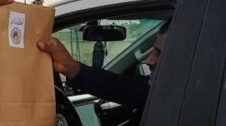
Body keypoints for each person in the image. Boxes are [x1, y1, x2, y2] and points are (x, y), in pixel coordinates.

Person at [38, 20, 170, 111]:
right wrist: (70, 68)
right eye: (153, 51)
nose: (149, 61)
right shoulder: (160, 92)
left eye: (160, 53)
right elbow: (120, 87)